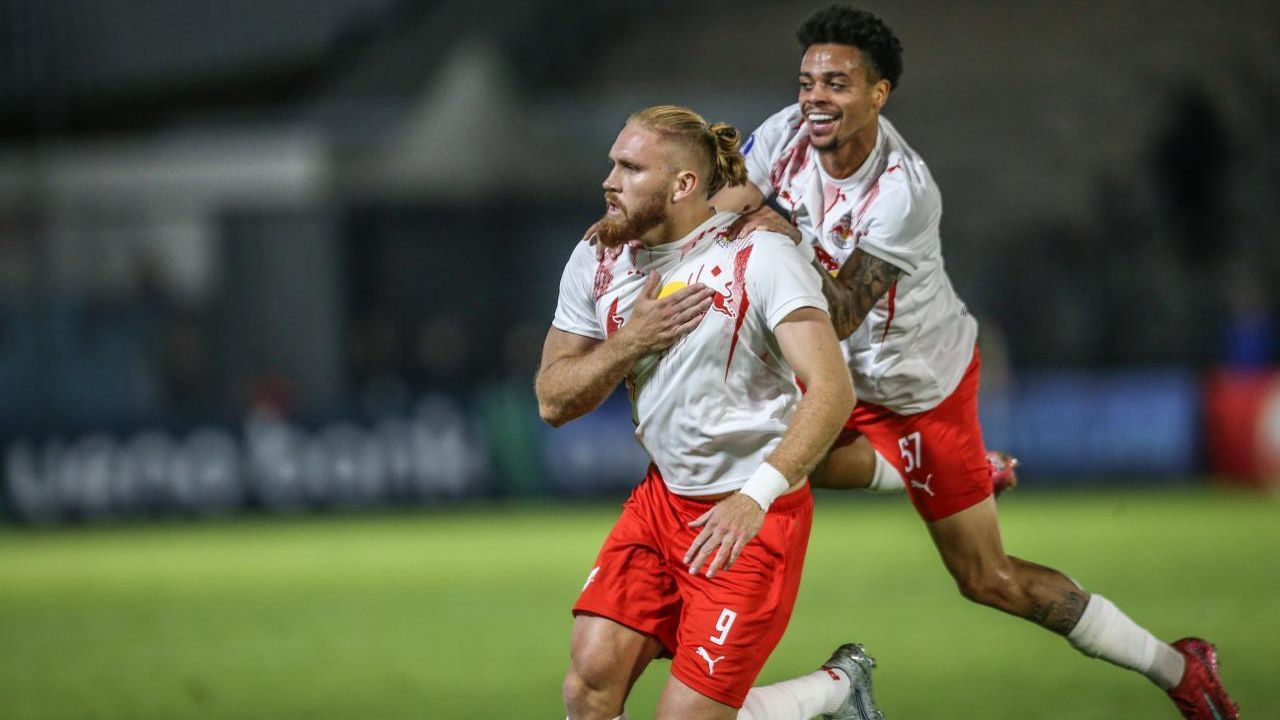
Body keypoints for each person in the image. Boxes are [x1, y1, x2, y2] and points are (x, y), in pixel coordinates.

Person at [708, 5, 1238, 719]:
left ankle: (1180, 668)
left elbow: (836, 313)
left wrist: (770, 229)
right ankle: (926, 477)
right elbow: (733, 201)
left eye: (836, 83)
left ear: (878, 94)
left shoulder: (902, 192)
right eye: (807, 81)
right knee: (752, 450)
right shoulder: (787, 133)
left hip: (915, 386)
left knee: (987, 579)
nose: (814, 99)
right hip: (833, 370)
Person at [537, 105, 882, 720]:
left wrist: (756, 497)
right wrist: (630, 341)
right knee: (587, 688)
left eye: (630, 167)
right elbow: (552, 400)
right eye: (612, 163)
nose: (608, 180)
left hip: (749, 514)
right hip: (662, 501)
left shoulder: (761, 259)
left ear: (683, 185)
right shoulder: (598, 257)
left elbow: (832, 391)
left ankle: (834, 688)